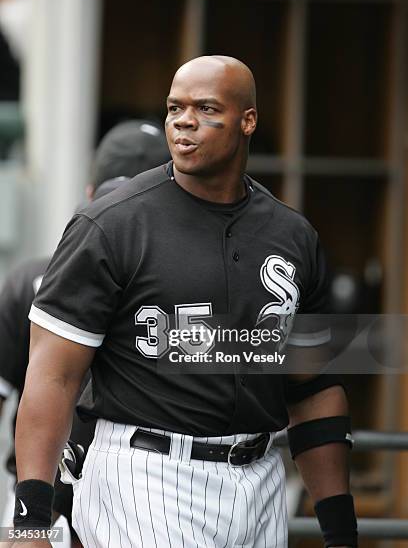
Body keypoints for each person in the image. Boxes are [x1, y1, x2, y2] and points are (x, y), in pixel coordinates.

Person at [12, 56, 357, 548]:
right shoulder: (111, 225)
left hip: (259, 478)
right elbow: (53, 376)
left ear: (248, 120)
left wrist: (341, 531)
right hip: (146, 473)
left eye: (206, 108)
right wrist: (28, 523)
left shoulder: (293, 235)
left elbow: (314, 387)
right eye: (175, 108)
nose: (184, 121)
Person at [0, 118, 170, 547]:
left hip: (47, 491)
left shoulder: (31, 278)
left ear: (89, 192)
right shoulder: (181, 282)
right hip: (129, 493)